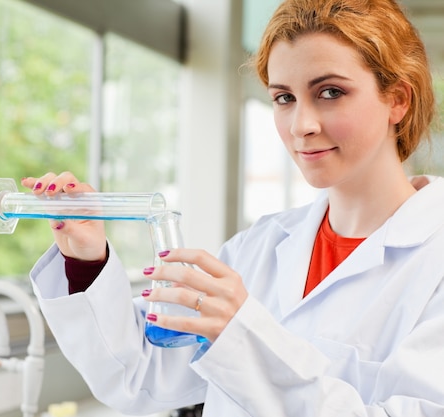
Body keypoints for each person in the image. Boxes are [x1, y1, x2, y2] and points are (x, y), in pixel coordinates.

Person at [23, 0, 444, 415]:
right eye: (284, 98)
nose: (301, 125)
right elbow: (142, 377)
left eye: (330, 92)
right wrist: (86, 257)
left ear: (397, 100)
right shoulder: (259, 247)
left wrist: (242, 338)